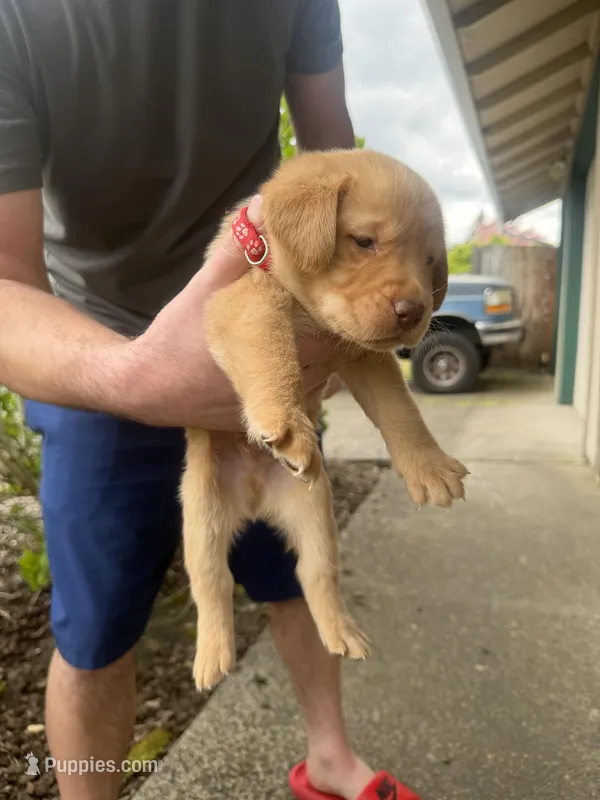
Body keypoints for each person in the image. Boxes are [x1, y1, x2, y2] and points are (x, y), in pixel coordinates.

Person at [0, 3, 415, 799]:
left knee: (294, 567)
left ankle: (329, 757)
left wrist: (340, 314)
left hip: (260, 339)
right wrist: (132, 377)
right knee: (93, 637)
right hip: (95, 348)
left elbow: (336, 157)